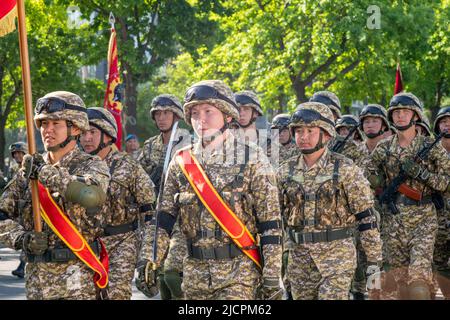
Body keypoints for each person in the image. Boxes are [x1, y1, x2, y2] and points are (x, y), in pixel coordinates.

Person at [141, 80, 283, 299]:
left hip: (239, 275)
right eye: (195, 113)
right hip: (194, 275)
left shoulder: (252, 158)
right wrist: (149, 260)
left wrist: (272, 276)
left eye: (209, 111)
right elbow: (163, 220)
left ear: (227, 116)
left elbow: (270, 224)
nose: (201, 120)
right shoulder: (181, 161)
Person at [0, 91, 110, 299]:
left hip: (77, 280)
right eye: (43, 124)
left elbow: (90, 195)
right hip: (36, 283)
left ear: (75, 127)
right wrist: (22, 239)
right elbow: (2, 214)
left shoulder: (92, 164)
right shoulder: (26, 171)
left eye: (55, 124)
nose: (47, 130)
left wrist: (43, 172)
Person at [278, 102, 381, 300]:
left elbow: (367, 219)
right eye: (298, 131)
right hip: (299, 261)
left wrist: (374, 263)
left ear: (326, 134)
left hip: (337, 259)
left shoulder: (345, 169)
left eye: (310, 130)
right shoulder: (284, 171)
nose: (303, 136)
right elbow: (276, 219)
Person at [365, 93, 450, 299]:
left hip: (423, 219)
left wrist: (422, 173)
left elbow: (446, 183)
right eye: (396, 112)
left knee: (418, 282)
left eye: (405, 111)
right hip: (393, 219)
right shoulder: (384, 148)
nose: (400, 116)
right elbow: (367, 175)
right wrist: (376, 184)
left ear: (415, 115)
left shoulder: (431, 147)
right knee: (399, 281)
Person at [80, 107, 156, 300]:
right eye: (83, 133)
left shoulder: (128, 166)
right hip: (85, 245)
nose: (86, 138)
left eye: (92, 132)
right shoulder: (76, 166)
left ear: (107, 135)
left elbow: (149, 213)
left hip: (122, 243)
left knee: (115, 295)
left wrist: (147, 254)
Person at [137, 94, 190, 299]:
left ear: (177, 115)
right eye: (158, 113)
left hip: (180, 217)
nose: (162, 117)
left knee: (173, 274)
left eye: (166, 112)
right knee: (160, 276)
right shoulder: (150, 146)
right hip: (157, 216)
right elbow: (138, 176)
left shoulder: (188, 142)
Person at [431, 106, 450, 299]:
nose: (448, 125)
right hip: (437, 216)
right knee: (439, 262)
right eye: (444, 122)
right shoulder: (430, 152)